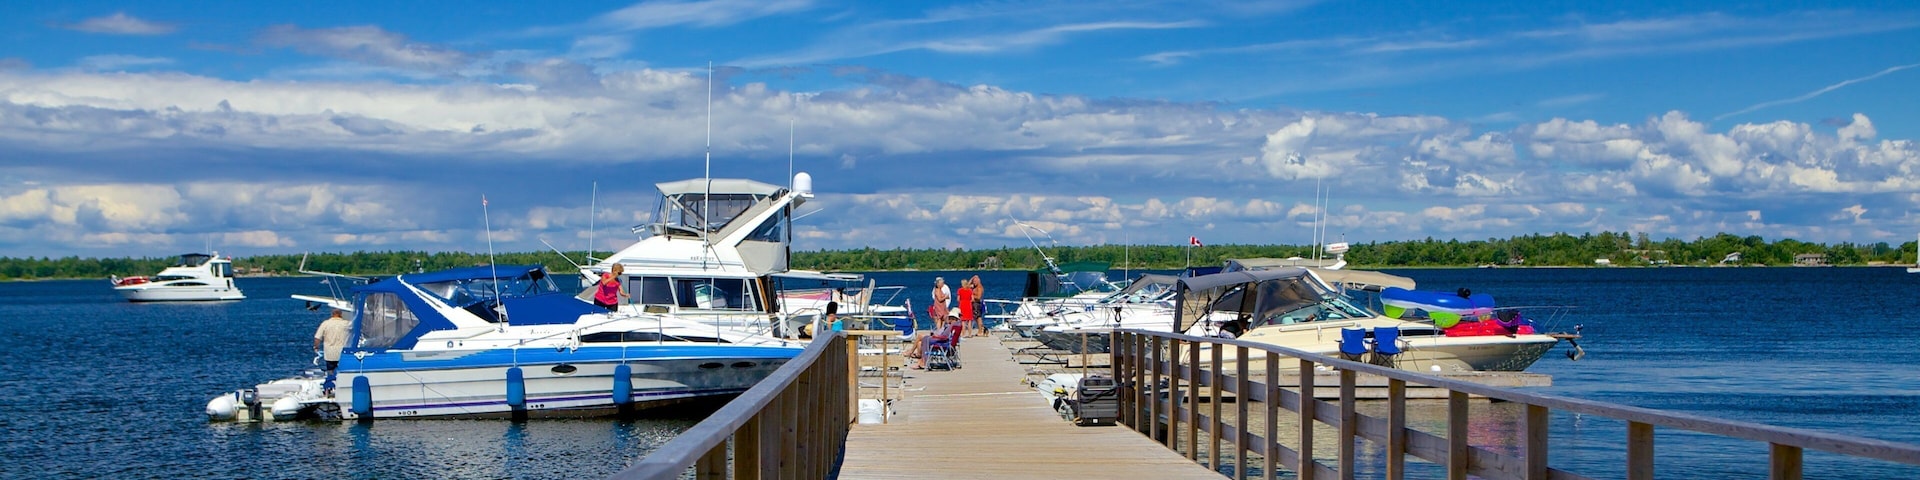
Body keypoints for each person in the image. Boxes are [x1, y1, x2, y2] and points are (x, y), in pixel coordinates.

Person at [312, 310, 352, 397]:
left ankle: (328, 389)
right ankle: (343, 388)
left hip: (330, 353)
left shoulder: (325, 324)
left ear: (332, 314)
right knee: (342, 371)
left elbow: (317, 337)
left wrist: (316, 347)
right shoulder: (347, 324)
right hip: (343, 353)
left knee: (330, 371)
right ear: (341, 315)